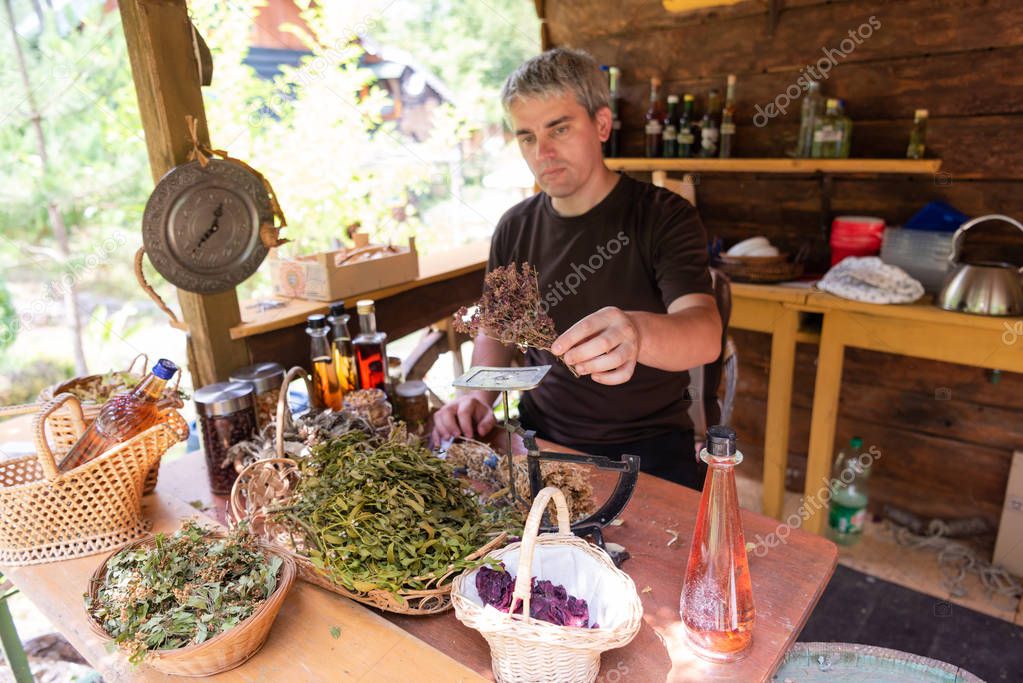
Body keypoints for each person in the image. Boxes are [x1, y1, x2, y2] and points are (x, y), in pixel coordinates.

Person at [432, 48, 722, 489]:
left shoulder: (663, 215)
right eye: (526, 137)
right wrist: (476, 396)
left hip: (647, 446)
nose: (542, 152)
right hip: (540, 439)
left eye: (559, 129)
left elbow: (704, 332)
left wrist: (637, 334)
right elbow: (497, 329)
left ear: (601, 125)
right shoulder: (515, 226)